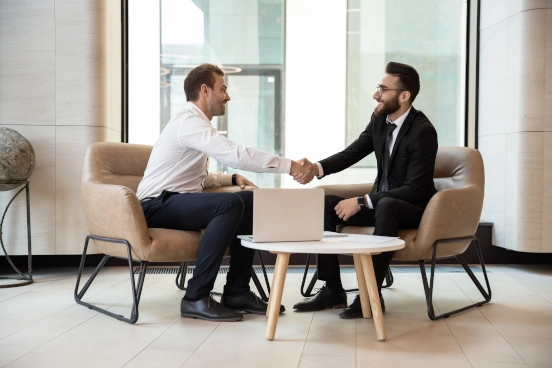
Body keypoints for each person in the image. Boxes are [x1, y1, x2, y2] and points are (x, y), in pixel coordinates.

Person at [136, 63, 313, 322]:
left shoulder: (194, 124)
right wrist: (290, 165)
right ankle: (195, 297)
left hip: (175, 199)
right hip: (156, 205)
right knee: (229, 204)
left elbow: (191, 177)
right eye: (224, 89)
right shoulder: (189, 121)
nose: (227, 96)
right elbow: (236, 154)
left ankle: (237, 291)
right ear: (205, 90)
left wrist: (228, 178)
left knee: (250, 200)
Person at [291, 62, 438, 317]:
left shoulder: (423, 132)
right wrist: (316, 168)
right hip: (380, 204)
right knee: (323, 202)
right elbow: (353, 152)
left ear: (404, 96)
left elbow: (415, 189)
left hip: (411, 207)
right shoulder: (379, 121)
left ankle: (370, 294)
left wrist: (361, 201)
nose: (375, 94)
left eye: (383, 89)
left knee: (387, 205)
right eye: (377, 87)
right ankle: (332, 289)